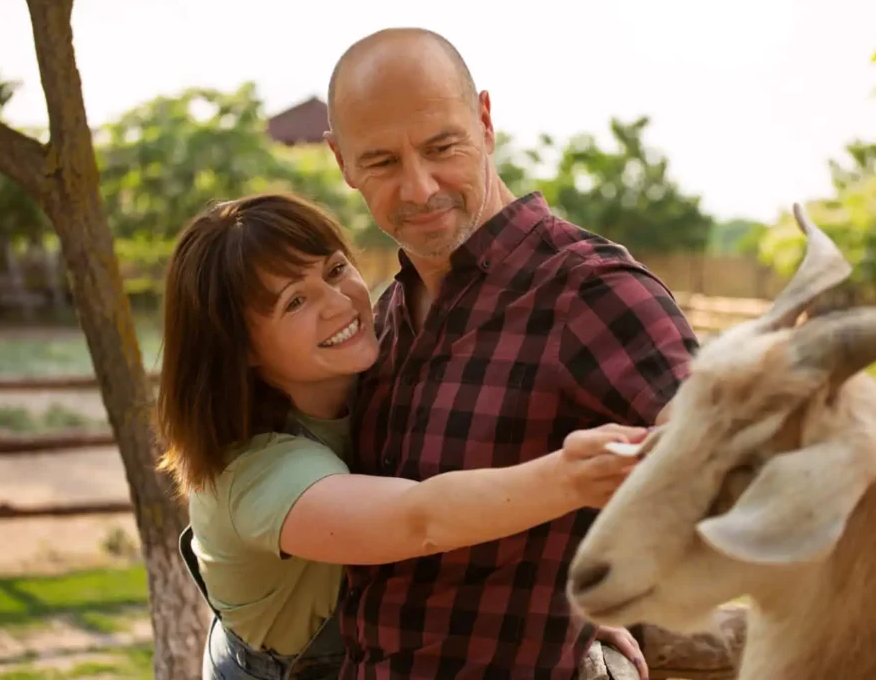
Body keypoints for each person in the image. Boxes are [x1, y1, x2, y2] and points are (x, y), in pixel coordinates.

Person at [323, 28, 700, 680]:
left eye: (442, 147)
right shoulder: (380, 321)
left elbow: (716, 451)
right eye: (382, 162)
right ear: (342, 162)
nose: (418, 188)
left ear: (486, 121)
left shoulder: (590, 290)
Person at [155, 193, 652, 680]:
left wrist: (564, 619)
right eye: (295, 301)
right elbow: (419, 518)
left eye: (334, 270)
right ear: (239, 348)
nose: (339, 303)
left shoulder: (382, 364)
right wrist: (571, 477)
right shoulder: (256, 471)